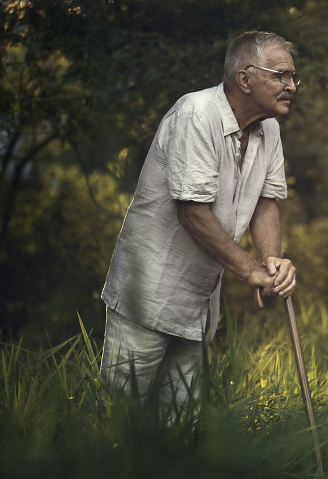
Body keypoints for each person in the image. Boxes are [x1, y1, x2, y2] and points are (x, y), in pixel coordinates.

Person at [99, 31, 300, 421]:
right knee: (120, 426)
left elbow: (265, 202)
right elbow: (193, 213)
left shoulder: (269, 129)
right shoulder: (195, 114)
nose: (291, 86)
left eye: (294, 78)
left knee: (179, 430)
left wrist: (271, 262)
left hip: (199, 306)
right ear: (245, 79)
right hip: (148, 296)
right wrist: (251, 272)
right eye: (281, 76)